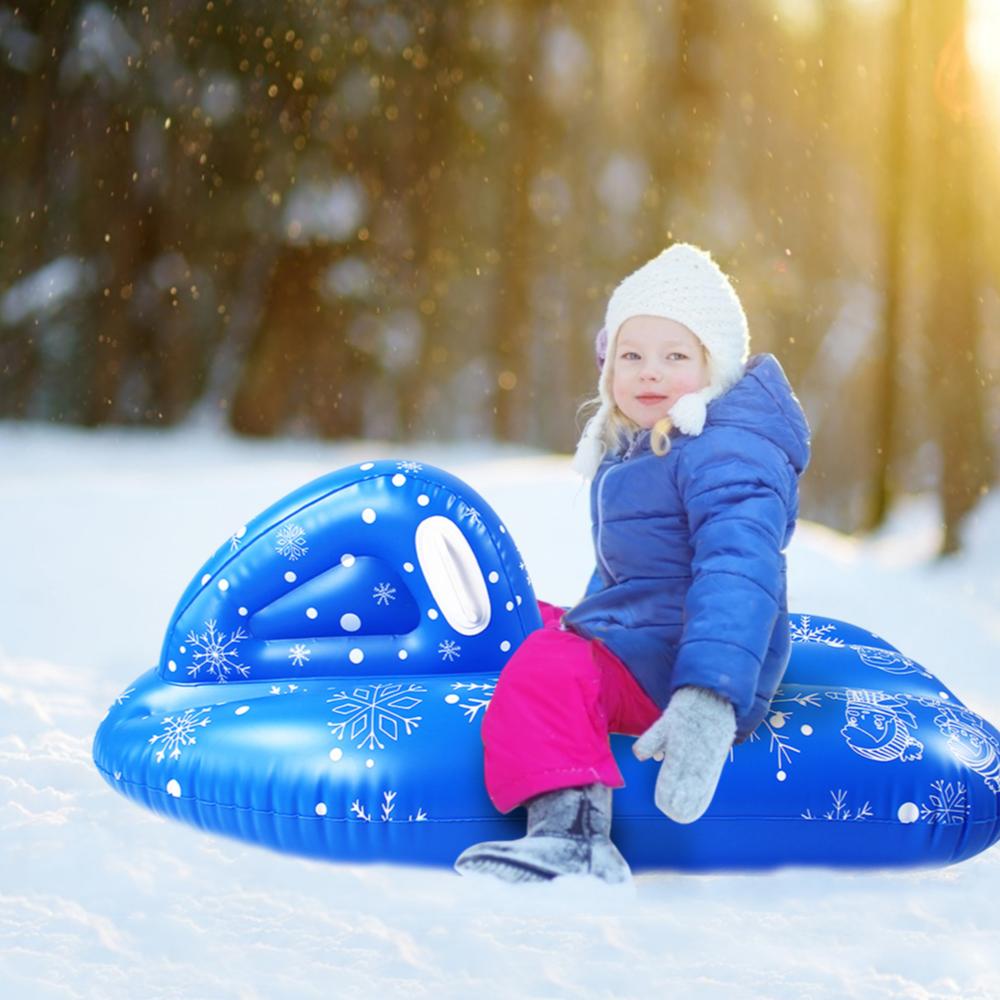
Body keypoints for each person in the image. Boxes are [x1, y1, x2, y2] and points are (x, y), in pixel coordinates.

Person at [454, 242, 811, 884]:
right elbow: (629, 582)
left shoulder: (726, 451)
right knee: (527, 621)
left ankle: (575, 839)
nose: (650, 372)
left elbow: (742, 570)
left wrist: (707, 697)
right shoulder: (645, 448)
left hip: (689, 670)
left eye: (675, 356)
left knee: (551, 662)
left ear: (715, 369)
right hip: (654, 643)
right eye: (632, 355)